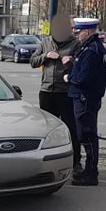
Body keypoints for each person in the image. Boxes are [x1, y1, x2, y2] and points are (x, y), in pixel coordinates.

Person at [30, 13, 82, 175]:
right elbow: (33, 61)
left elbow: (81, 66)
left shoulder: (75, 44)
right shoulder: (46, 42)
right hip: (46, 91)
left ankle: (76, 162)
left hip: (65, 92)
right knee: (46, 130)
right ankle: (46, 163)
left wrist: (72, 62)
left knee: (70, 128)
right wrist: (45, 56)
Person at [65, 17, 106, 186]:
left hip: (85, 97)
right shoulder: (93, 47)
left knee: (86, 135)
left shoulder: (91, 50)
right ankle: (90, 170)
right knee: (87, 134)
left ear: (87, 32)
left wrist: (69, 77)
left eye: (79, 31)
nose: (76, 34)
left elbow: (83, 77)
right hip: (87, 97)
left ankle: (91, 172)